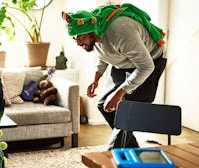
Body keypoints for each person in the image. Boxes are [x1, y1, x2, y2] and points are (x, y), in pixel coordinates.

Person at [62, 3, 167, 149]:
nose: (78, 43)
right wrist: (96, 78)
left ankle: (112, 154)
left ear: (93, 32)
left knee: (127, 111)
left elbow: (146, 66)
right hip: (124, 62)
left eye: (81, 37)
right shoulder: (95, 35)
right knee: (104, 104)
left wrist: (119, 94)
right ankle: (132, 149)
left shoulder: (121, 32)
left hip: (149, 62)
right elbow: (103, 53)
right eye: (75, 38)